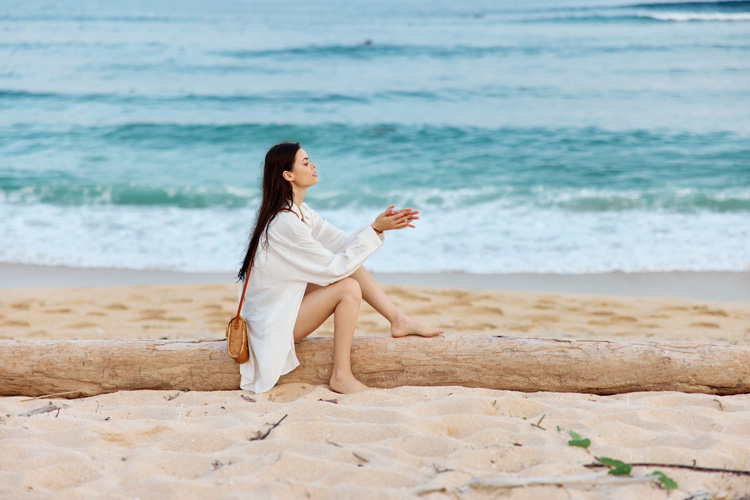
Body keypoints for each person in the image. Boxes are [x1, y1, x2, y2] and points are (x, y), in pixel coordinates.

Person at [237, 141, 443, 394]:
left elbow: (341, 244)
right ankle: (341, 376)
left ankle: (399, 320)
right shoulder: (285, 223)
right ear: (288, 175)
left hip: (282, 306)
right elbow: (335, 269)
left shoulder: (300, 213)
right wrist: (374, 231)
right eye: (305, 162)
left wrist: (376, 226)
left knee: (350, 267)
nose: (313, 165)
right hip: (270, 325)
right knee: (347, 288)